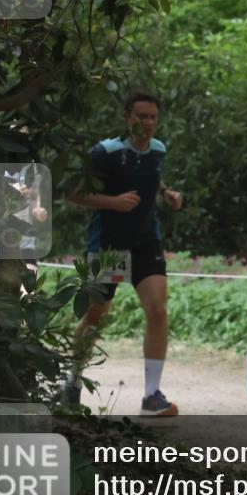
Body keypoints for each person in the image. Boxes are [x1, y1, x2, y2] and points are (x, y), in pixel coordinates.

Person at [64, 92, 183, 416]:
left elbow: (150, 178)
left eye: (152, 118)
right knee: (96, 314)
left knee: (158, 310)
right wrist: (112, 202)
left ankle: (151, 395)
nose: (146, 123)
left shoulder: (158, 150)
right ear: (127, 117)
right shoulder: (106, 152)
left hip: (145, 241)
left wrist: (167, 193)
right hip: (108, 244)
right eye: (140, 116)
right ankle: (72, 382)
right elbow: (72, 192)